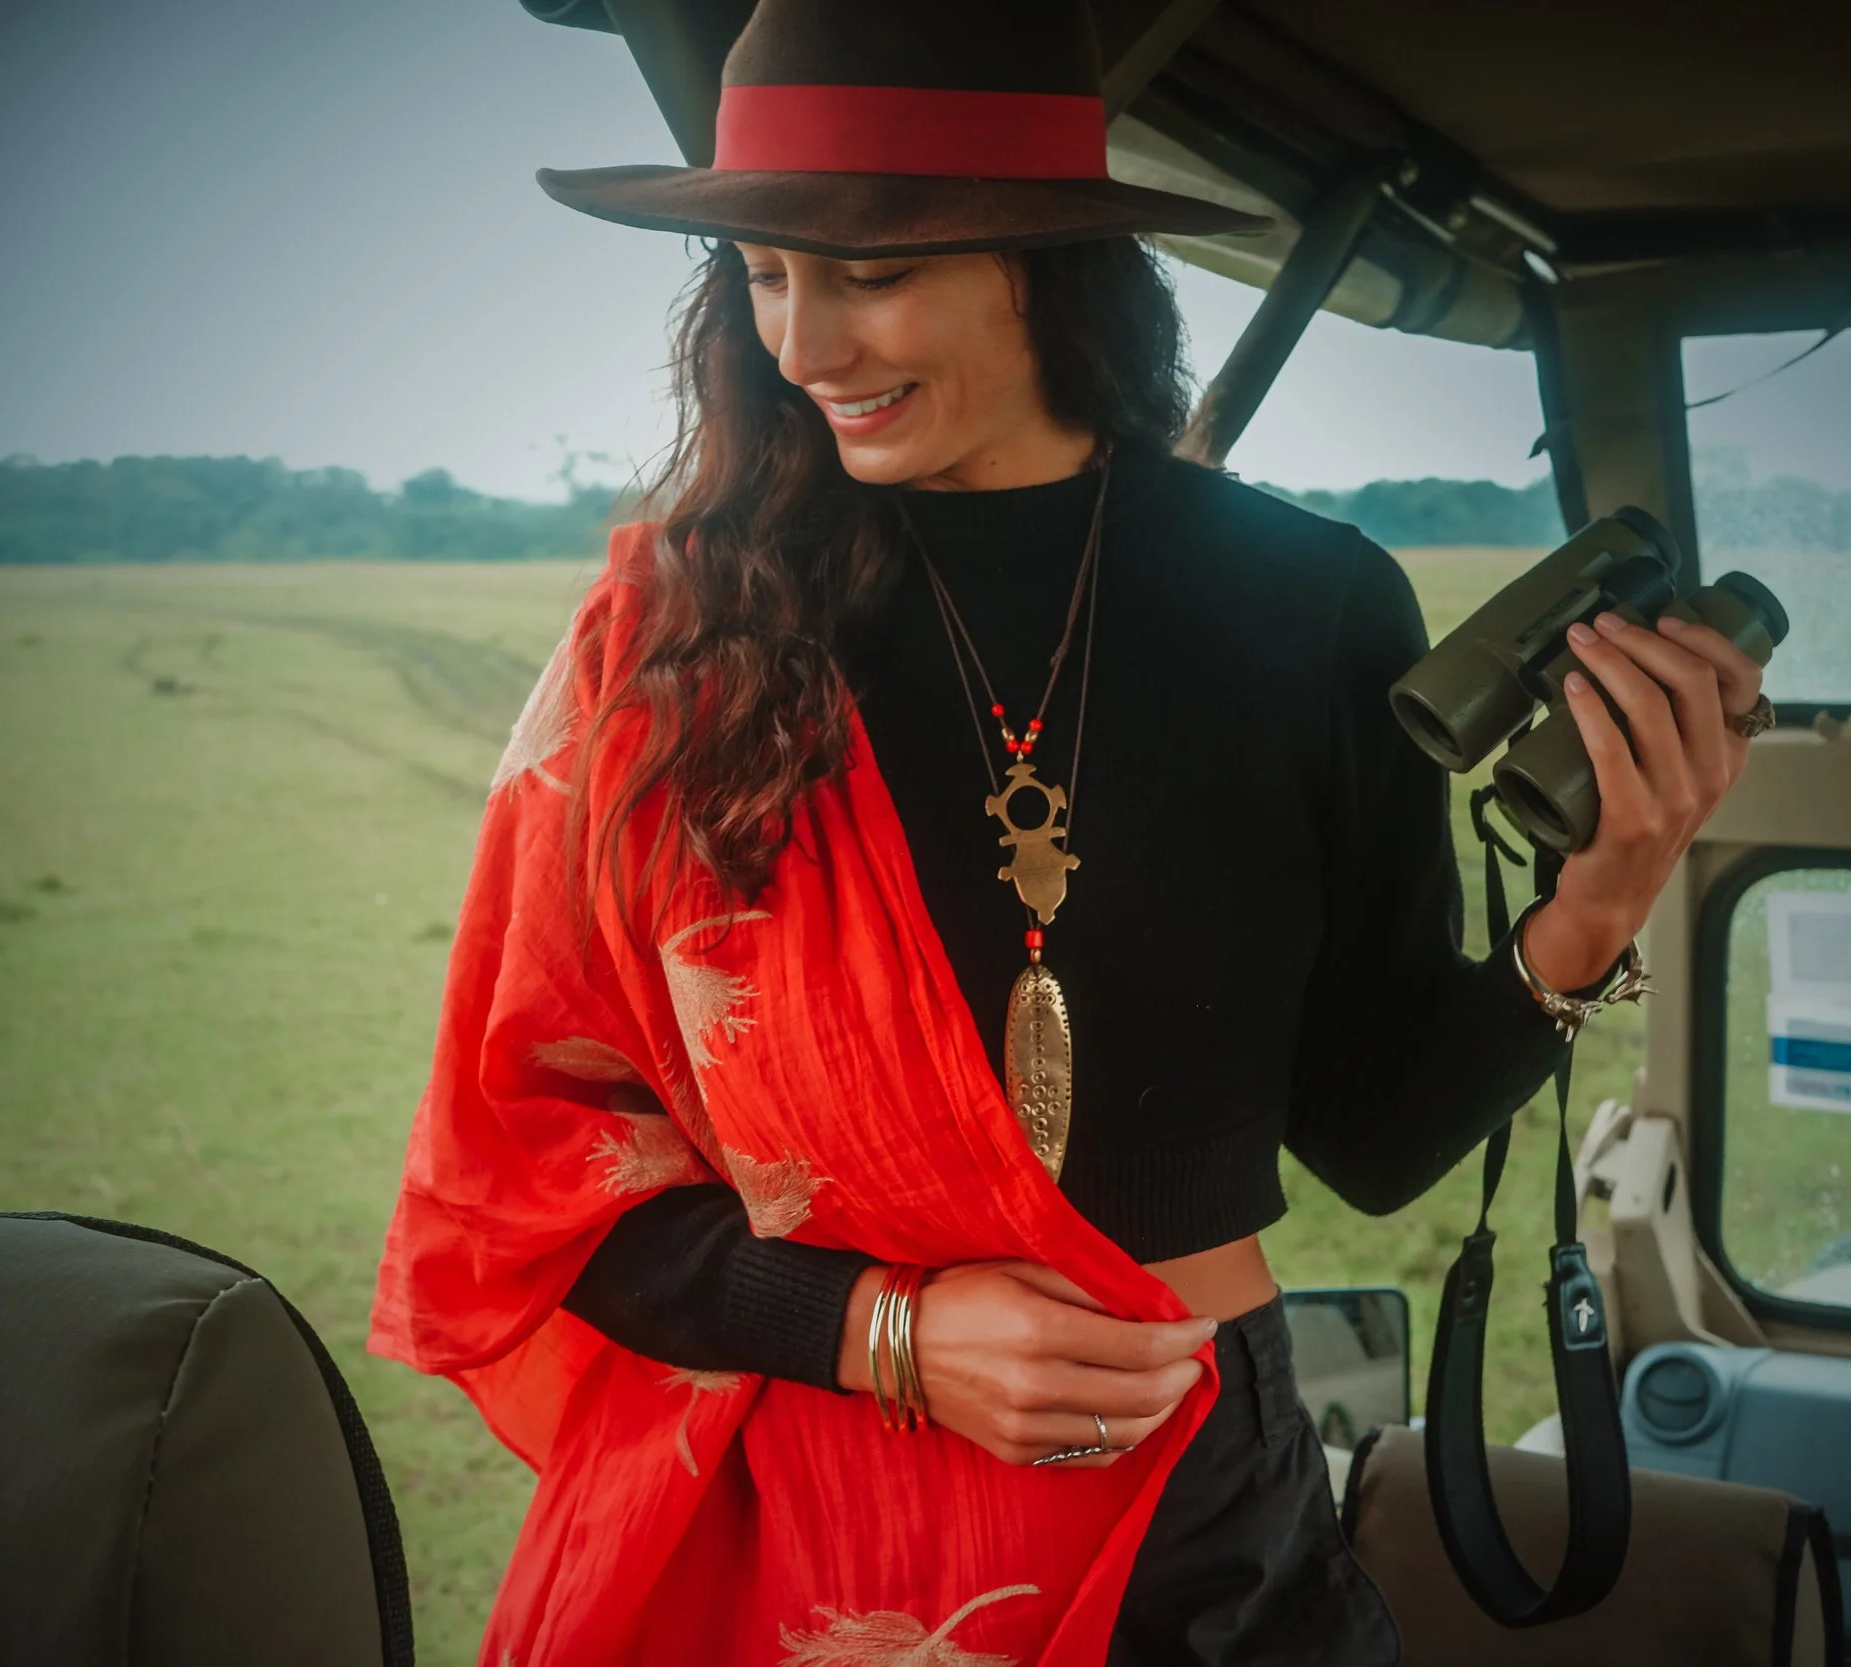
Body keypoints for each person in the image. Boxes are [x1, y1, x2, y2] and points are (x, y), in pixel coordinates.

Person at [367, 3, 1770, 1663]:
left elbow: (1375, 1134)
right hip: (821, 1518)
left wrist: (1599, 897)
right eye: (761, 273)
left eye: (867, 272)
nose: (804, 344)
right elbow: (523, 1173)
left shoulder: (1314, 604)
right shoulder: (676, 644)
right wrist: (883, 1329)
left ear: (1047, 257)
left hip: (1204, 1508)